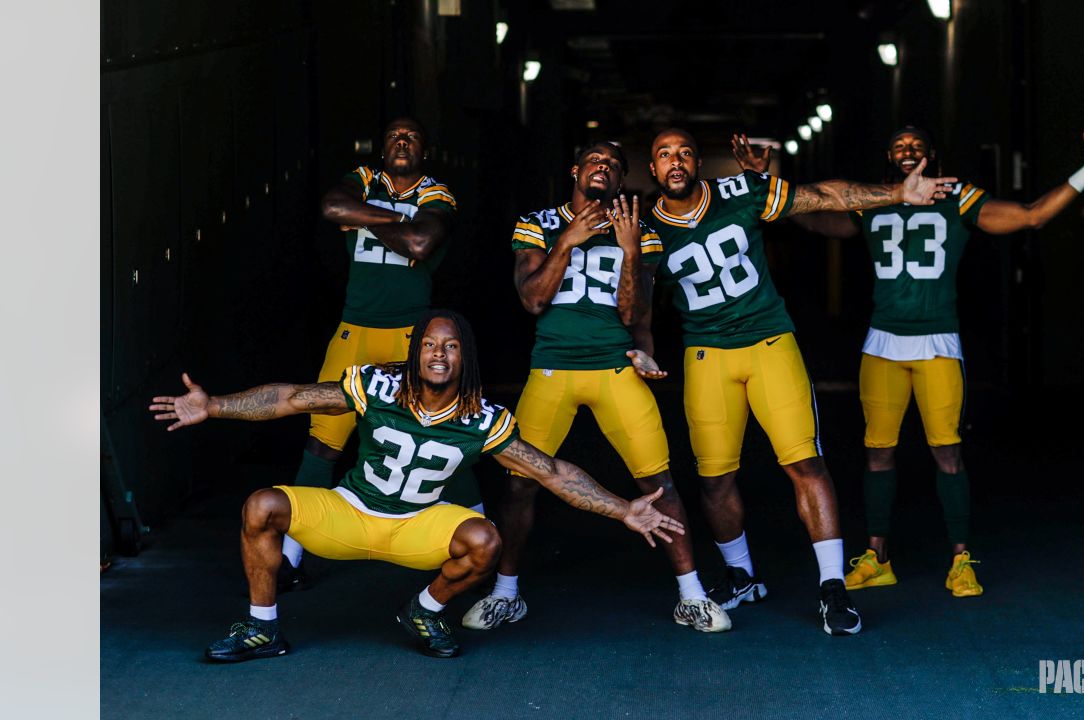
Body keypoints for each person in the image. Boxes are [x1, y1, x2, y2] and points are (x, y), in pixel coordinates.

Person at [150, 309, 684, 662]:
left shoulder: (481, 419)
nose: (437, 354)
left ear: (462, 357)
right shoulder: (377, 386)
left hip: (416, 527)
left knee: (485, 540)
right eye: (429, 344)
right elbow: (292, 397)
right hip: (350, 512)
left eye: (449, 346)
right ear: (417, 351)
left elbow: (551, 471)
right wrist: (213, 406)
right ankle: (263, 627)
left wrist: (622, 509)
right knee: (262, 506)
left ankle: (424, 611)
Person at [774, 122, 1084, 598]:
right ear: (888, 158)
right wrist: (770, 186)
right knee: (877, 453)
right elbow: (814, 216)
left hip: (937, 343)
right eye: (898, 145)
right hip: (882, 345)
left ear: (932, 154)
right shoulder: (876, 198)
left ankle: (960, 559)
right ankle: (878, 557)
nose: (907, 150)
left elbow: (1031, 215)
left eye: (916, 144)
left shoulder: (959, 196)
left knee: (947, 452)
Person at [645, 128, 958, 636]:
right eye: (663, 154)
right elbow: (630, 294)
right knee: (713, 477)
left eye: (684, 152)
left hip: (769, 342)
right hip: (706, 355)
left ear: (699, 162)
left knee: (805, 462)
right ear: (654, 169)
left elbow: (825, 194)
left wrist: (898, 193)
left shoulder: (743, 191)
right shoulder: (645, 227)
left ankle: (832, 586)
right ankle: (741, 573)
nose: (675, 161)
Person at [461, 143, 730, 634]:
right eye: (594, 161)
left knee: (659, 481)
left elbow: (633, 314)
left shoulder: (640, 231)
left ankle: (692, 595)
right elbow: (533, 300)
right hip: (551, 369)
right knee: (521, 480)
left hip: (613, 366)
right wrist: (568, 239)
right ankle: (506, 592)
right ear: (576, 169)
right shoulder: (537, 222)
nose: (602, 167)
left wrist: (629, 250)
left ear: (624, 177)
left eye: (613, 164)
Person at [276, 116, 480, 591]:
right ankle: (289, 558)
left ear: (424, 149)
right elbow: (331, 205)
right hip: (354, 330)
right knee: (323, 440)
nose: (401, 142)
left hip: (412, 334)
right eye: (393, 137)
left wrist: (365, 215)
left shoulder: (438, 192)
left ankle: (484, 542)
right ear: (381, 147)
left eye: (410, 136)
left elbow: (423, 241)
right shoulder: (364, 179)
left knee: (446, 439)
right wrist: (398, 220)